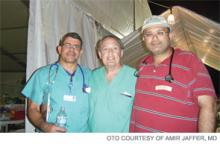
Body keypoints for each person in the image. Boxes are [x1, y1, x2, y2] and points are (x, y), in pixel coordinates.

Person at [130, 15, 217, 132]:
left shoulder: (189, 60)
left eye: (160, 33)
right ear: (143, 39)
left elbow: (208, 105)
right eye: (148, 34)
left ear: (170, 35)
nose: (154, 38)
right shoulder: (142, 64)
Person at [22, 32, 91, 132]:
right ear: (59, 49)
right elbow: (32, 109)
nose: (72, 49)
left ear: (80, 52)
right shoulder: (42, 74)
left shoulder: (90, 75)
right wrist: (45, 127)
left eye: (76, 46)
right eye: (67, 45)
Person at [88, 35, 137, 132]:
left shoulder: (135, 76)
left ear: (121, 52)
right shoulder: (92, 76)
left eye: (115, 48)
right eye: (105, 49)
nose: (110, 53)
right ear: (99, 54)